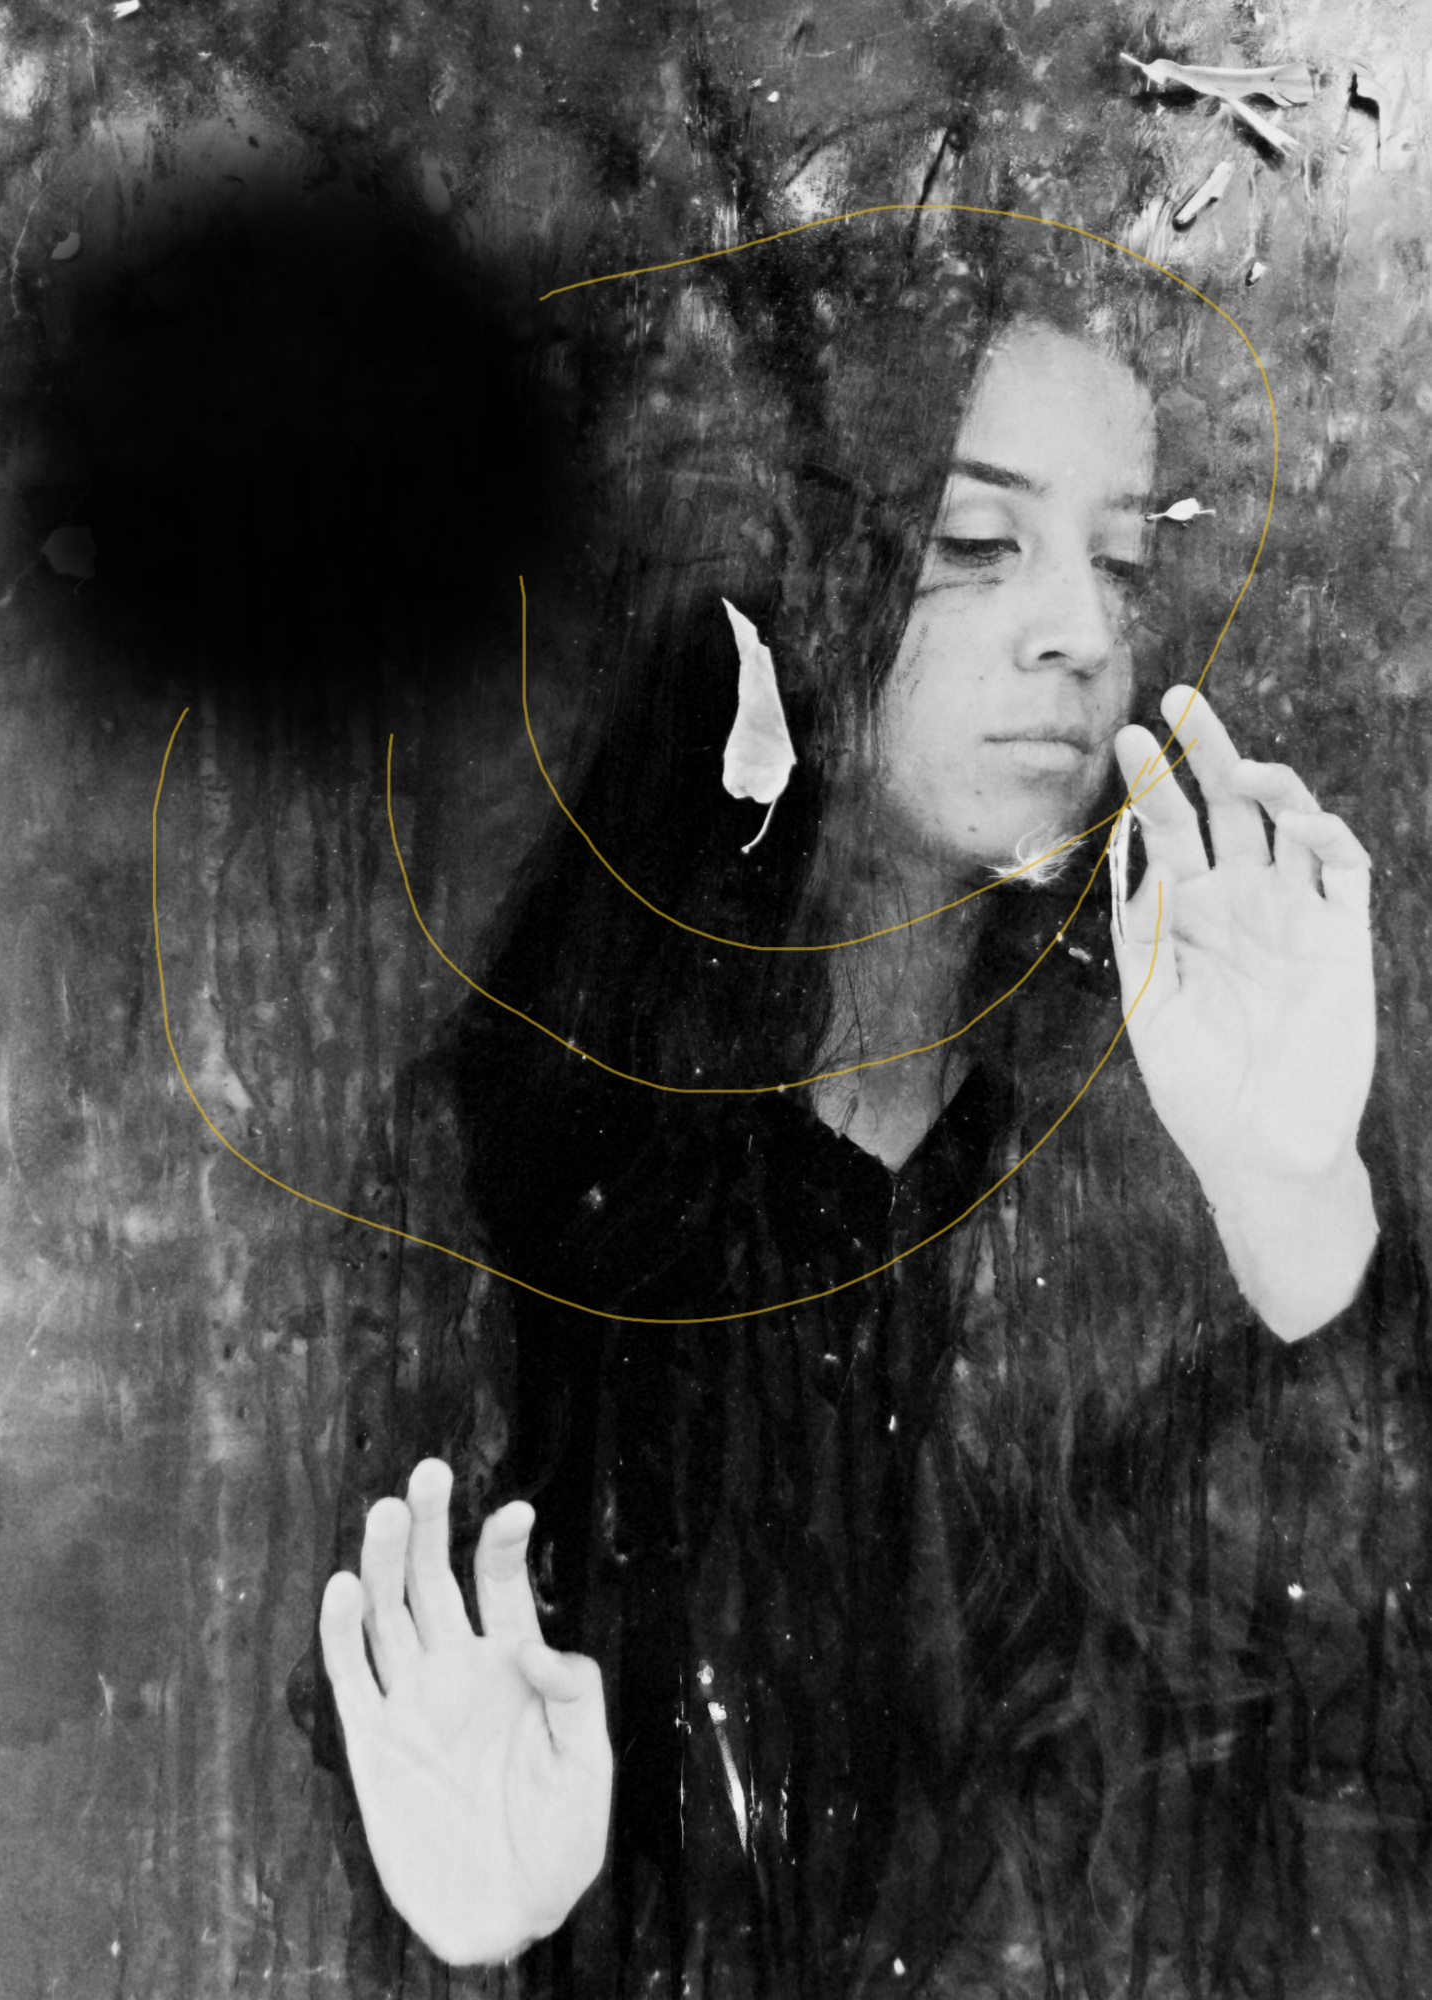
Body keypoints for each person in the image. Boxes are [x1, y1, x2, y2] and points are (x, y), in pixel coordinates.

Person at [302, 243, 1413, 1998]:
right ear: (792, 576)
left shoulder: (1176, 1103)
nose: (1080, 631)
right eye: (975, 546)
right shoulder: (519, 1160)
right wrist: (481, 1925)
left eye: (1122, 560)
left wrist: (1291, 1188)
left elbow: (1346, 1735)